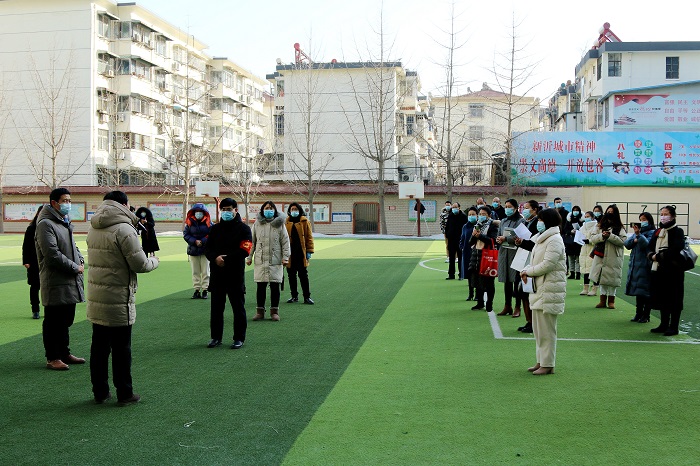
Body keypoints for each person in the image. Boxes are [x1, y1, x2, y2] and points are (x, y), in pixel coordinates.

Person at [86, 191, 159, 406]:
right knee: (121, 349)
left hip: (97, 296)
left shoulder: (94, 226)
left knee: (99, 348)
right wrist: (154, 261)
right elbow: (140, 264)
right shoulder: (124, 229)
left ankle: (100, 392)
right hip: (118, 296)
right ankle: (124, 393)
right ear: (124, 205)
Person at [35, 188, 86, 371]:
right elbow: (52, 255)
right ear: (54, 203)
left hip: (69, 279)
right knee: (53, 321)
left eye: (69, 200)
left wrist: (80, 259)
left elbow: (73, 247)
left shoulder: (64, 222)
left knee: (65, 320)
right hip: (55, 280)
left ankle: (64, 353)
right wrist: (75, 267)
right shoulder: (45, 224)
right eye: (64, 200)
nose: (68, 204)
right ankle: (53, 357)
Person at [520, 208, 566, 376]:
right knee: (539, 330)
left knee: (547, 330)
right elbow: (535, 261)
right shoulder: (541, 239)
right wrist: (526, 270)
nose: (538, 222)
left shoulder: (554, 240)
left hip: (549, 289)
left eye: (540, 219)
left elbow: (548, 264)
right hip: (539, 288)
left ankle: (548, 363)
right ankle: (541, 360)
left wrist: (529, 272)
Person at [204, 198, 253, 349]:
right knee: (216, 308)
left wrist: (227, 259)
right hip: (217, 274)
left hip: (235, 274)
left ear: (235, 210)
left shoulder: (244, 229)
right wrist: (215, 258)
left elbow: (245, 249)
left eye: (229, 209)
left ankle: (239, 338)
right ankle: (216, 337)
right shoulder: (214, 229)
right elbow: (208, 248)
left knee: (238, 307)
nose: (226, 212)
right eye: (223, 209)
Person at [247, 201, 290, 322]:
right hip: (261, 260)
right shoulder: (257, 224)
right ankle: (260, 311)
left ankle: (274, 312)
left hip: (275, 260)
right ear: (262, 210)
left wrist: (285, 257)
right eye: (266, 208)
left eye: (271, 208)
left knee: (275, 286)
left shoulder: (280, 224)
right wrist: (249, 257)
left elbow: (285, 242)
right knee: (260, 287)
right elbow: (252, 242)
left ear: (275, 210)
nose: (268, 210)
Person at [648, 206, 686, 336]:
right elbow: (649, 247)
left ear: (673, 216)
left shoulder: (678, 231)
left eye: (666, 214)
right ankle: (664, 324)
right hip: (658, 270)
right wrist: (651, 255)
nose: (663, 216)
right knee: (662, 297)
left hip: (674, 271)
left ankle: (674, 326)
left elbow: (676, 249)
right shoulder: (658, 231)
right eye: (662, 214)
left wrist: (658, 256)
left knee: (674, 298)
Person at [589, 204, 627, 309]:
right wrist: (602, 236)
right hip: (600, 255)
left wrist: (610, 236)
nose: (609, 214)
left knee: (612, 279)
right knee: (601, 278)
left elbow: (623, 241)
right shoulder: (599, 225)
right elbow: (592, 238)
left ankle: (611, 300)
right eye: (608, 211)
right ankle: (602, 300)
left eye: (612, 212)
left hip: (614, 256)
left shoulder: (620, 228)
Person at [513, 200, 541, 333]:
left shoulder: (538, 224)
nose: (524, 210)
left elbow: (534, 244)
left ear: (535, 209)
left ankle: (533, 322)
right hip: (523, 257)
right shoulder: (525, 222)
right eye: (523, 207)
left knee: (528, 290)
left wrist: (523, 242)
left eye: (527, 208)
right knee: (522, 291)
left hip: (532, 259)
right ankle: (529, 320)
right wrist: (519, 241)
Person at [624, 212, 655, 324]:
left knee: (646, 292)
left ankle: (646, 315)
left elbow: (647, 245)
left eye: (644, 219)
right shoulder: (638, 233)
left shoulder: (652, 233)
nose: (642, 222)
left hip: (646, 265)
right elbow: (627, 244)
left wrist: (639, 236)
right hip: (635, 265)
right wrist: (636, 237)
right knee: (639, 291)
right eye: (640, 219)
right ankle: (638, 313)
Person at [468, 206, 499, 312]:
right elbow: (470, 242)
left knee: (489, 281)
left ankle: (489, 303)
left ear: (489, 215)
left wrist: (480, 236)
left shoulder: (492, 226)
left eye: (484, 214)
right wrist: (474, 236)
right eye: (480, 214)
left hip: (487, 256)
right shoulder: (477, 226)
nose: (481, 216)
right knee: (477, 281)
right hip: (475, 256)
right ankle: (480, 302)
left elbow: (493, 241)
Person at [496, 198, 523, 317]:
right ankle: (507, 306)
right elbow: (498, 235)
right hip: (504, 252)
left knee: (516, 280)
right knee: (506, 280)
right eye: (506, 206)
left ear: (516, 208)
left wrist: (506, 239)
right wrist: (499, 239)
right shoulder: (503, 221)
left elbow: (521, 237)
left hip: (516, 253)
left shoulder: (520, 221)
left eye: (509, 206)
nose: (507, 209)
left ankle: (518, 306)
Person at [285, 202, 315, 304]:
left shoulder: (305, 221)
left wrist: (309, 251)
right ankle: (294, 296)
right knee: (291, 275)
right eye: (292, 209)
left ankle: (307, 297)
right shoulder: (286, 222)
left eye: (296, 209)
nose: (294, 211)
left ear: (300, 210)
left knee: (303, 275)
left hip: (301, 253)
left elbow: (309, 238)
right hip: (290, 254)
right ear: (289, 211)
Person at [184, 203, 211, 299]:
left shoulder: (209, 223)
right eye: (196, 212)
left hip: (205, 251)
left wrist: (202, 241)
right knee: (195, 272)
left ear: (204, 213)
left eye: (200, 212)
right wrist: (195, 241)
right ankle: (196, 290)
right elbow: (186, 235)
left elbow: (211, 235)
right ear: (193, 213)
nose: (198, 214)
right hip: (193, 250)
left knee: (205, 271)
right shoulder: (189, 223)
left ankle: (205, 290)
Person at [22, 206, 44, 319]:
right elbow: (26, 245)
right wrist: (26, 260)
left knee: (49, 287)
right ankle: (35, 310)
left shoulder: (50, 227)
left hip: (47, 262)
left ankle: (50, 309)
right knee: (35, 286)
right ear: (37, 214)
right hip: (34, 262)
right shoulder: (31, 228)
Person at [458, 206, 478, 301]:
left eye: (473, 214)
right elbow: (462, 239)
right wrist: (462, 247)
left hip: (477, 253)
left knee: (477, 273)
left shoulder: (479, 226)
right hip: (467, 253)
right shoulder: (465, 226)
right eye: (469, 215)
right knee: (469, 273)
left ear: (477, 215)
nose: (471, 216)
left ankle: (478, 295)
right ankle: (470, 293)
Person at [445, 202, 468, 280]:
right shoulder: (450, 216)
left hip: (460, 240)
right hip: (451, 240)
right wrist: (447, 235)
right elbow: (447, 226)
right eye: (453, 207)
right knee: (451, 258)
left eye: (456, 207)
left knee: (461, 258)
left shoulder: (463, 217)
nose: (454, 209)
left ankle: (461, 274)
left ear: (459, 207)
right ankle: (451, 274)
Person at [578, 210, 599, 296]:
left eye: (588, 216)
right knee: (585, 268)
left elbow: (597, 238)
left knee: (594, 269)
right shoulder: (582, 227)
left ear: (592, 217)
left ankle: (594, 288)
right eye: (585, 217)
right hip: (584, 249)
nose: (586, 218)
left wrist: (590, 241)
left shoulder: (596, 226)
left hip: (592, 249)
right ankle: (585, 288)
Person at [562, 205, 583, 280]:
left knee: (577, 259)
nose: (575, 212)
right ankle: (572, 273)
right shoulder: (569, 220)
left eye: (577, 210)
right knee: (570, 258)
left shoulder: (582, 220)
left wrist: (578, 230)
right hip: (570, 242)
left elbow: (583, 229)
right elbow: (565, 229)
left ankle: (578, 273)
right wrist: (570, 231)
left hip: (578, 242)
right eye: (574, 210)